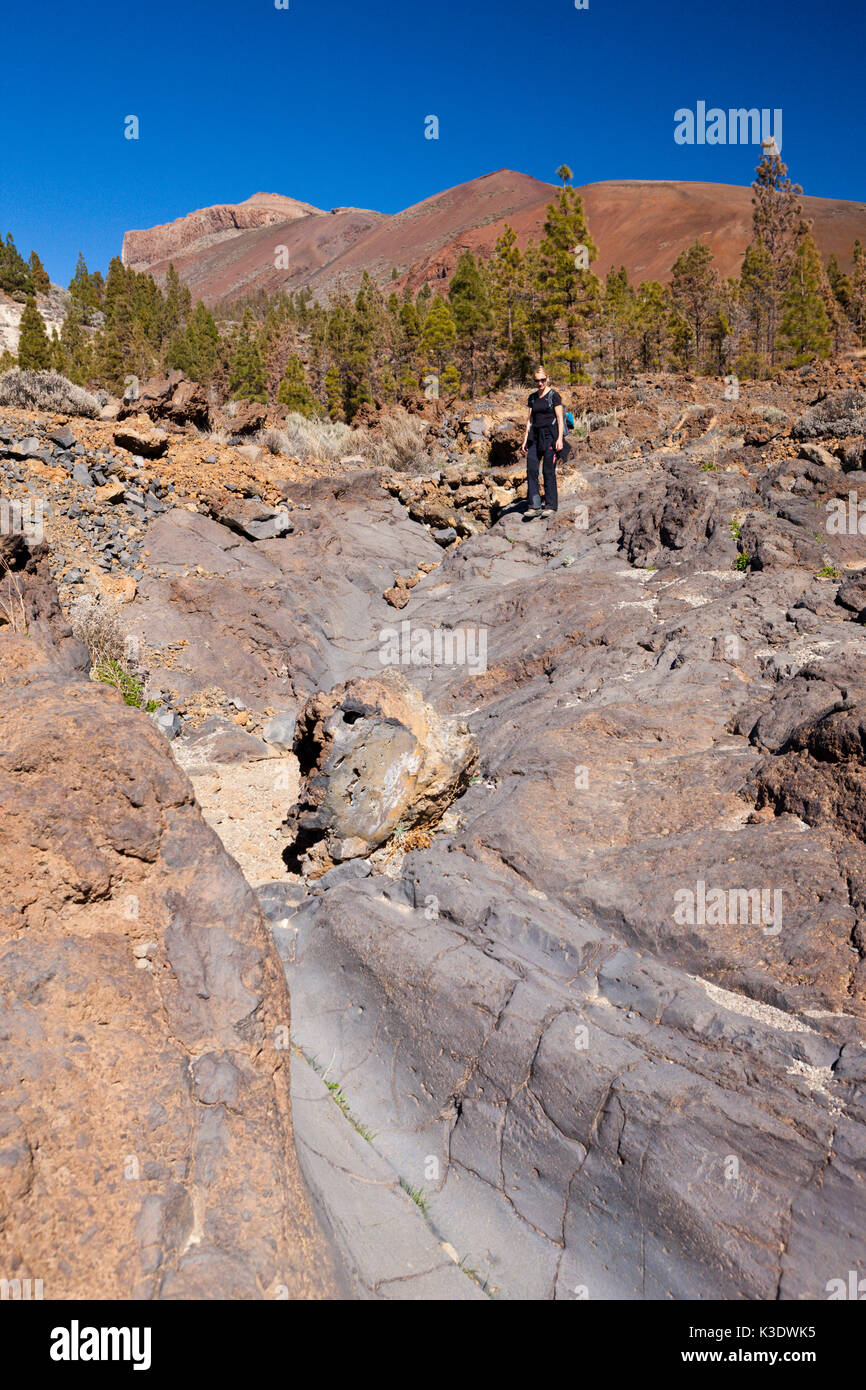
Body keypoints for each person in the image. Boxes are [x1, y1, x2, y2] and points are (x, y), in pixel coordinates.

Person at [521, 367, 563, 519]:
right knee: (531, 468)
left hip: (550, 436)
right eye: (537, 380)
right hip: (535, 436)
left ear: (548, 378)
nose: (540, 383)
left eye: (542, 380)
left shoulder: (554, 396)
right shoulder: (532, 398)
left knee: (548, 470)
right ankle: (534, 505)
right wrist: (525, 439)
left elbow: (559, 418)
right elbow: (530, 420)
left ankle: (551, 505)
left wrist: (559, 439)